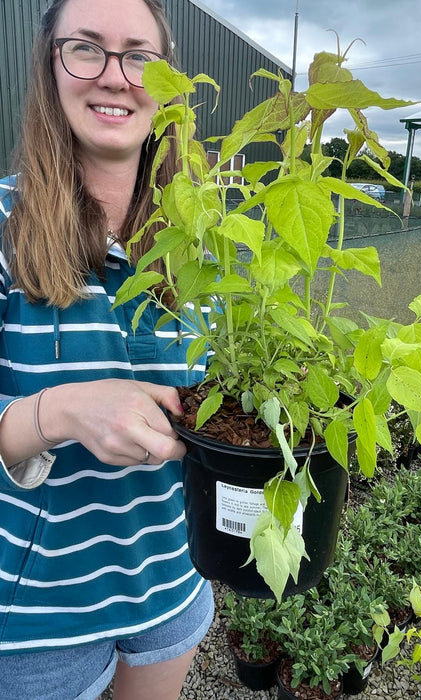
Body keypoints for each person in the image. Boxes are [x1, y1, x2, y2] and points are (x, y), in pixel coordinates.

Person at [0, 1, 214, 698]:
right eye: (85, 48)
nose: (116, 76)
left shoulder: (205, 248)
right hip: (35, 620)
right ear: (50, 65)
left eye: (140, 56)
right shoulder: (6, 226)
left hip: (171, 585)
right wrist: (59, 412)